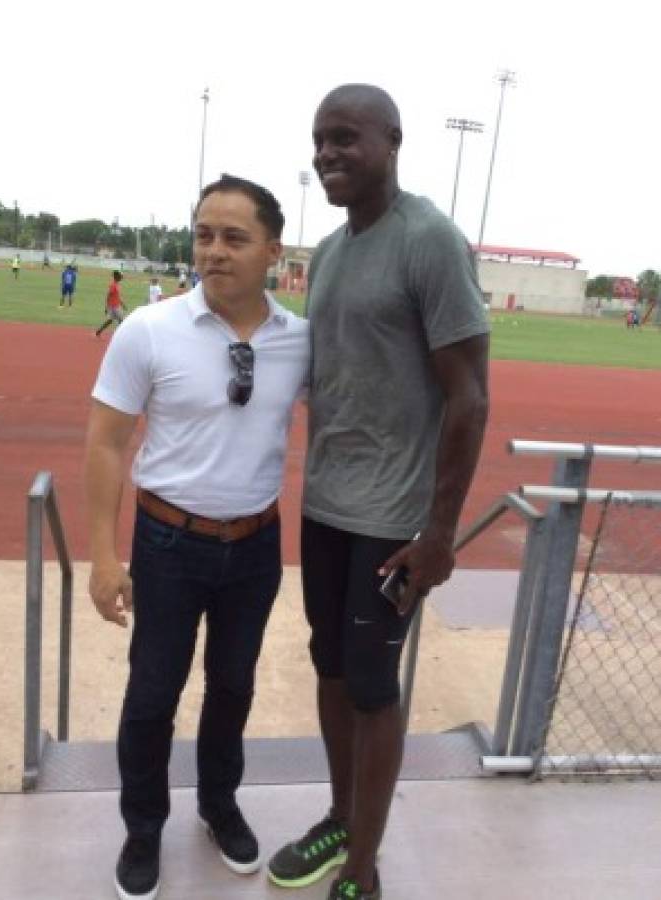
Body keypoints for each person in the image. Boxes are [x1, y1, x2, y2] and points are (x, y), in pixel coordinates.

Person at [267, 84, 490, 900]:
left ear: (391, 142)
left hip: (394, 522)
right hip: (325, 507)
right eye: (319, 139)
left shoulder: (428, 241)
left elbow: (469, 396)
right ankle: (340, 815)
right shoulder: (328, 253)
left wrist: (439, 534)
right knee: (329, 667)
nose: (327, 153)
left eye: (345, 138)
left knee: (369, 685)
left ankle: (363, 869)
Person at [84, 174, 309, 900]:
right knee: (152, 693)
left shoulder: (298, 341)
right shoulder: (148, 330)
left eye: (234, 238)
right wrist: (103, 554)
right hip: (167, 545)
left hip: (254, 548)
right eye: (204, 235)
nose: (214, 252)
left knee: (233, 687)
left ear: (273, 250)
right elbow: (107, 444)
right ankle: (143, 826)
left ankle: (219, 805)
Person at [95, 270, 127, 336]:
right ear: (117, 277)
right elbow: (108, 295)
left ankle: (99, 331)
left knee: (110, 320)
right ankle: (121, 335)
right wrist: (106, 307)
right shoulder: (113, 285)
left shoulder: (117, 285)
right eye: (120, 276)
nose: (121, 277)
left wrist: (122, 304)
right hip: (114, 307)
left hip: (115, 306)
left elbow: (117, 296)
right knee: (121, 321)